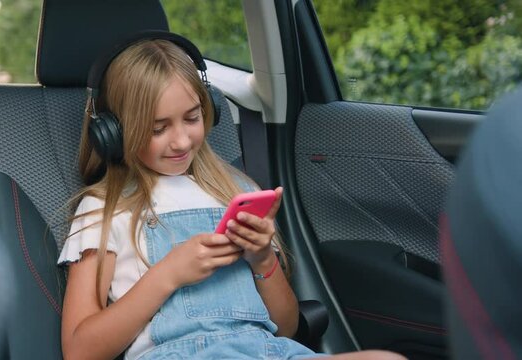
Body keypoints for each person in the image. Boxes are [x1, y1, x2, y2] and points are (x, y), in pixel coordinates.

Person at [59, 31, 404, 360]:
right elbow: (79, 350)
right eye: (158, 129)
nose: (181, 141)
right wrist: (168, 275)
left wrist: (262, 260)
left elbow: (285, 329)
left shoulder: (236, 190)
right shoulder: (103, 209)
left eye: (192, 118)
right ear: (114, 133)